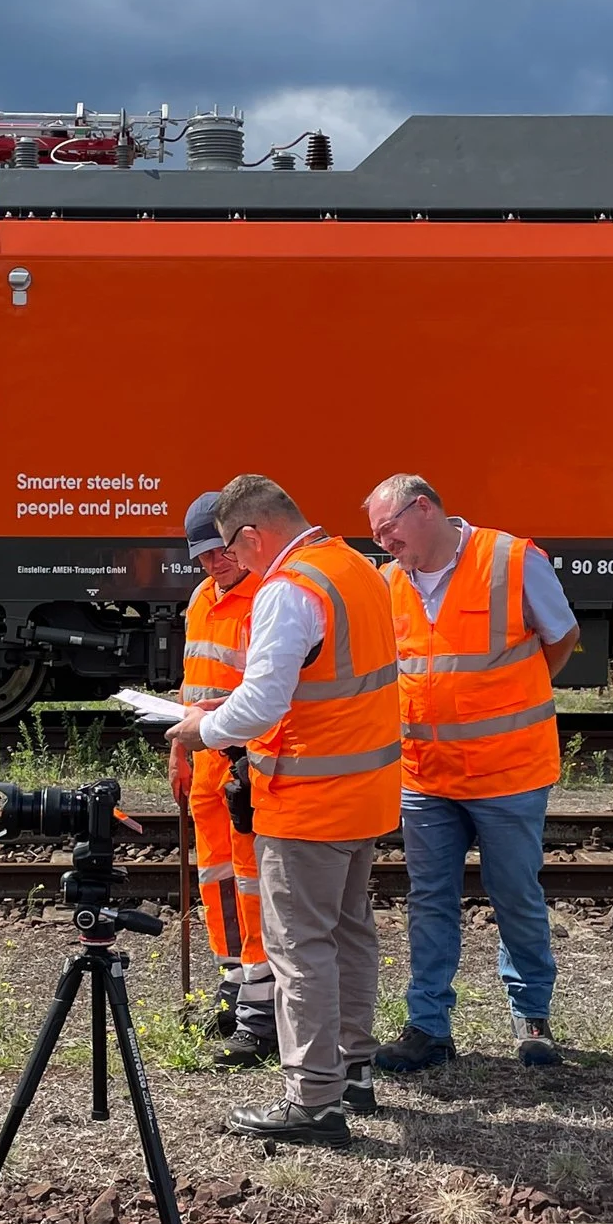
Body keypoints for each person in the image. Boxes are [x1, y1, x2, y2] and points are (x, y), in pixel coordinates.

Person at [167, 475, 401, 1147]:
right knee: (352, 934)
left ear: (251, 534)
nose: (234, 566)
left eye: (235, 551)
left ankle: (314, 1100)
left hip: (308, 801)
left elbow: (265, 704)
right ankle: (354, 1070)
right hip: (366, 793)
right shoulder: (354, 568)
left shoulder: (288, 588)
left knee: (301, 951)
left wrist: (199, 731)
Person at [364, 474, 580, 1073]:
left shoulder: (510, 558)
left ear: (425, 509)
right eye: (377, 534)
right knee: (430, 901)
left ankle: (533, 1016)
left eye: (390, 529)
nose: (384, 543)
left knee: (516, 896)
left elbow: (561, 640)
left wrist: (512, 695)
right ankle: (428, 1027)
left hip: (508, 771)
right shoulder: (388, 583)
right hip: (426, 776)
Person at [168, 492, 276, 1068]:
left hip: (246, 764)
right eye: (202, 555)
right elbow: (193, 684)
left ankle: (262, 997)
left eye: (219, 551)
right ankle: (233, 979)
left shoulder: (267, 598)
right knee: (215, 876)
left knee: (253, 878)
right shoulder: (202, 599)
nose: (212, 564)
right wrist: (180, 754)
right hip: (205, 763)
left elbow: (269, 693)